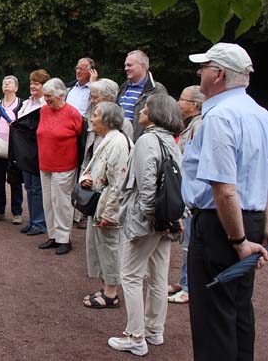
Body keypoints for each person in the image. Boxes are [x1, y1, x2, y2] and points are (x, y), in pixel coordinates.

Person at [183, 43, 268, 361]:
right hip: (250, 218)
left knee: (213, 320)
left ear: (218, 74)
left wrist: (240, 240)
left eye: (203, 67)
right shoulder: (261, 115)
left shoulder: (219, 117)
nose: (199, 73)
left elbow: (224, 190)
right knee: (239, 311)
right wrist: (260, 230)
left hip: (222, 227)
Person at [108, 94, 184, 356]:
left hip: (147, 220)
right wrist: (171, 219)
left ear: (155, 113)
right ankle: (154, 329)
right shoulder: (172, 142)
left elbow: (147, 186)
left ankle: (135, 336)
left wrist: (152, 216)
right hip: (167, 218)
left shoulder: (146, 140)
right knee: (158, 276)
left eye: (147, 107)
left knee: (129, 275)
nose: (142, 110)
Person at [79, 102, 132, 309]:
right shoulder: (106, 139)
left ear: (108, 120)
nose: (92, 118)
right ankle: (105, 287)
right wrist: (86, 178)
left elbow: (119, 182)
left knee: (110, 247)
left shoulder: (118, 142)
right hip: (99, 202)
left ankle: (111, 294)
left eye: (97, 115)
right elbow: (93, 167)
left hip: (108, 206)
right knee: (100, 246)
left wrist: (110, 213)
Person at [167, 85, 205, 305]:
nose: (178, 102)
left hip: (194, 195)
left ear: (195, 105)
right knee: (186, 241)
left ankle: (190, 287)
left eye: (182, 99)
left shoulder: (200, 126)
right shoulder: (192, 125)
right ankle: (184, 281)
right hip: (188, 192)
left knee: (190, 242)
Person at [36, 78, 83, 255]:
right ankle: (53, 235)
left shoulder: (72, 113)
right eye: (45, 96)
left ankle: (64, 238)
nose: (46, 99)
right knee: (48, 201)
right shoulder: (43, 110)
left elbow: (80, 136)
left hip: (64, 165)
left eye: (49, 96)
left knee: (62, 202)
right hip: (45, 163)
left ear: (61, 95)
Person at [15, 69, 49, 236]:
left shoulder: (45, 105)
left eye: (37, 83)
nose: (33, 86)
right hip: (25, 150)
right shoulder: (26, 103)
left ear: (45, 86)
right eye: (31, 83)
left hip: (38, 149)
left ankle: (40, 222)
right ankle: (33, 220)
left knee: (37, 187)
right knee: (29, 186)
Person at [0, 75, 24, 225]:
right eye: (4, 82)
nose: (6, 84)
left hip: (15, 149)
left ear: (16, 87)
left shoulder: (22, 105)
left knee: (15, 180)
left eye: (10, 82)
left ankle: (17, 212)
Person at [117, 50, 167, 142]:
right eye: (125, 65)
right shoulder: (124, 87)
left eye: (129, 65)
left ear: (142, 66)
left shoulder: (157, 90)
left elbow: (162, 120)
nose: (126, 68)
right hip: (120, 142)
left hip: (142, 143)